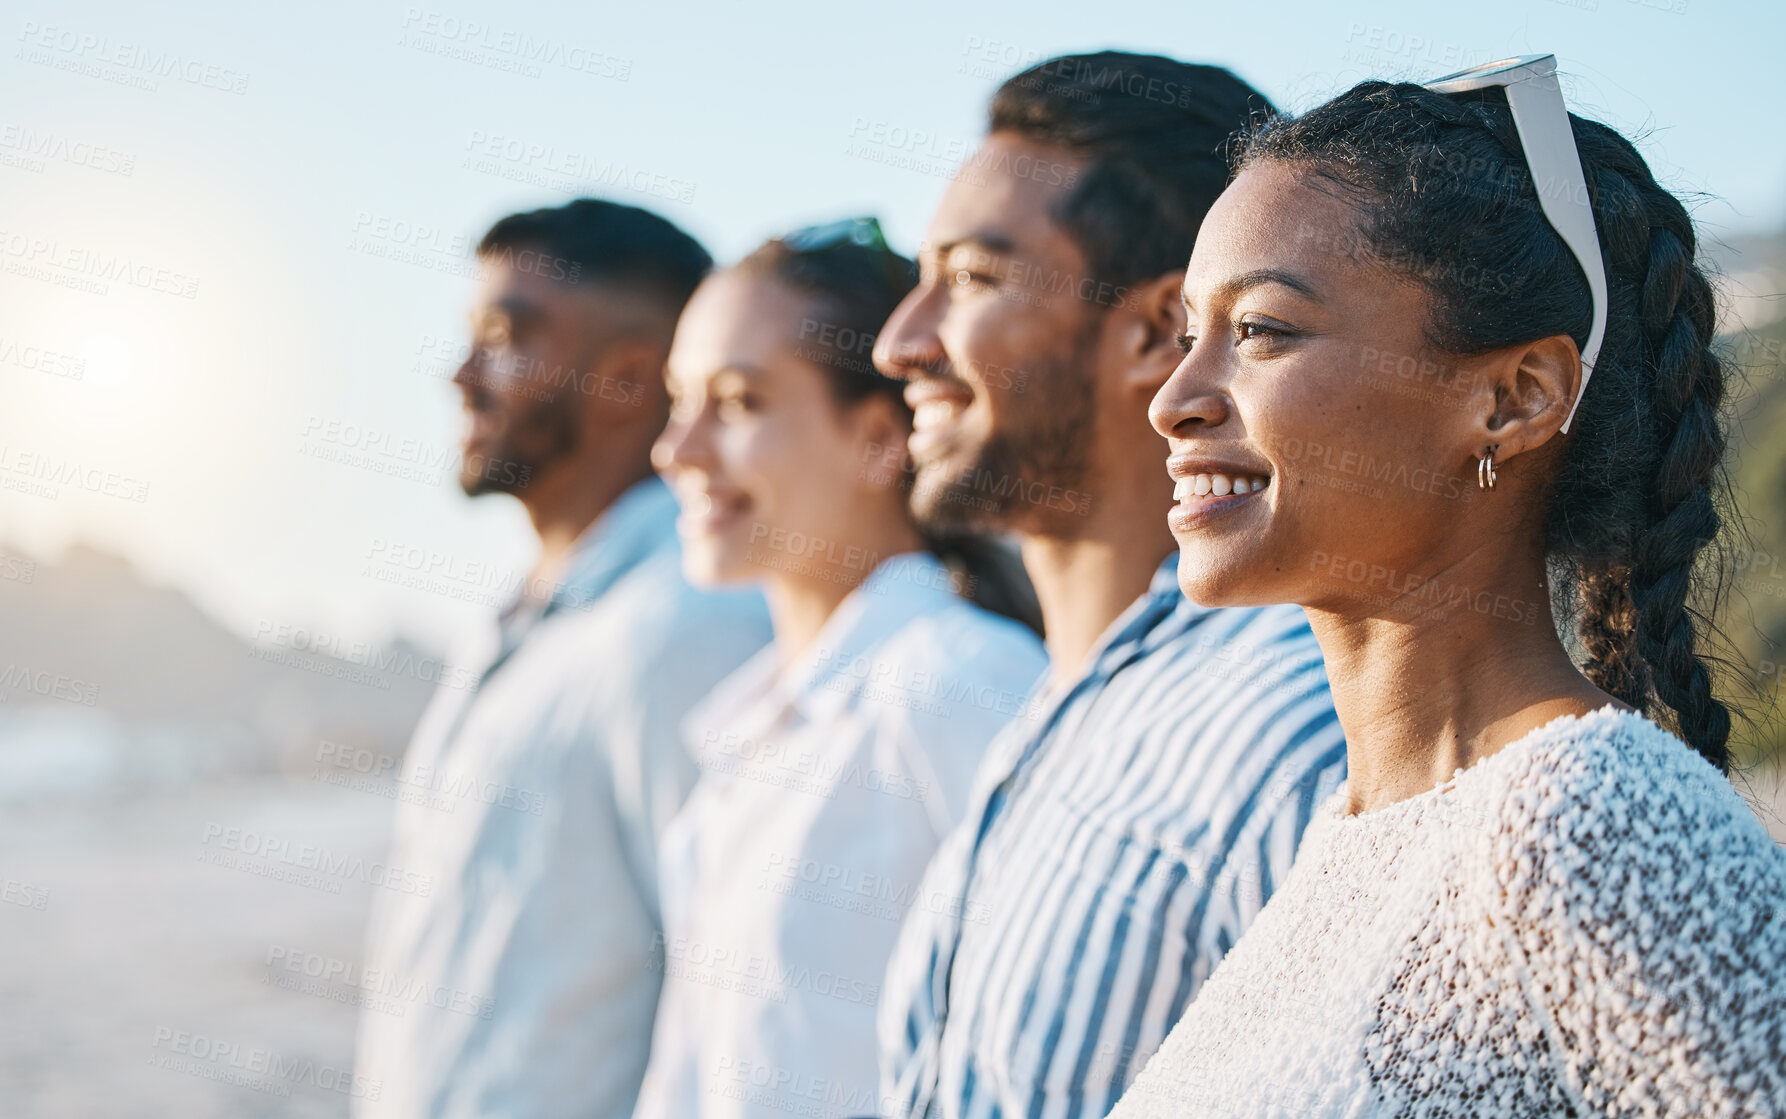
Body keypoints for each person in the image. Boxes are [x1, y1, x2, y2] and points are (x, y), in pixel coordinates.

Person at [1112, 64, 1786, 1117]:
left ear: (1514, 398)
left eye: (1262, 332)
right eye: (1188, 333)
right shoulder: (1351, 834)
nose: (1174, 401)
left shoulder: (1584, 817)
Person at [870, 53, 1348, 1118]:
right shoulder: (1051, 719)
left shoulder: (1286, 729)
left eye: (973, 280)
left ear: (1152, 333)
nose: (899, 343)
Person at [353, 199, 771, 1119]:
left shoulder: (689, 627)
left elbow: (747, 1017)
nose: (461, 375)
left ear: (627, 377)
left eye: (505, 338)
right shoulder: (523, 622)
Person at [634, 219, 1048, 1119]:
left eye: (738, 402)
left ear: (876, 438)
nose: (678, 450)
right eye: (678, 401)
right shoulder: (744, 735)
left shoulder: (959, 681)